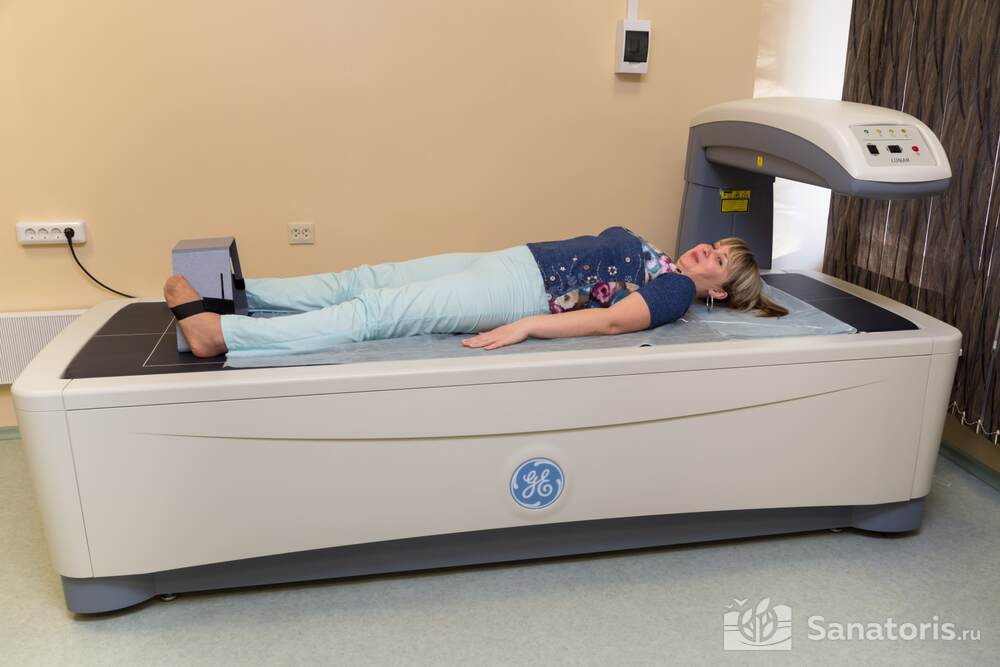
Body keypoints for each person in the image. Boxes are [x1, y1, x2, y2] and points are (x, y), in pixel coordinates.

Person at [163, 226, 788, 359]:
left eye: (720, 262)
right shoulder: (664, 260)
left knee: (379, 310)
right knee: (366, 278)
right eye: (715, 245)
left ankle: (221, 333)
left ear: (718, 292)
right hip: (511, 260)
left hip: (521, 289)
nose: (708, 252)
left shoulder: (675, 290)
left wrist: (528, 325)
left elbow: (613, 322)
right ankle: (237, 295)